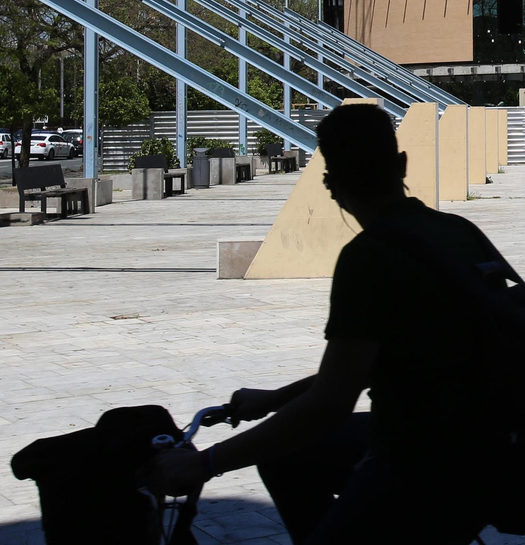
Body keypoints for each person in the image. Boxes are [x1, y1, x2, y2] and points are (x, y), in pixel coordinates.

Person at [149, 103, 498, 544]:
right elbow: (372, 363)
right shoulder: (460, 231)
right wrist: (277, 398)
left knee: (297, 463)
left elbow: (330, 405)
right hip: (492, 439)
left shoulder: (368, 258)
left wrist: (207, 462)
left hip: (426, 452)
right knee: (286, 457)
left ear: (331, 185)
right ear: (402, 164)